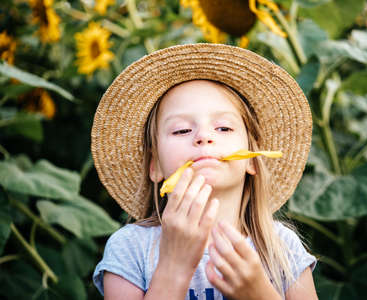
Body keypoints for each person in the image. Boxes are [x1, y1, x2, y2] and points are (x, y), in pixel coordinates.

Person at [91, 43, 318, 300]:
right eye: (181, 130)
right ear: (155, 166)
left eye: (223, 128)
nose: (203, 137)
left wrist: (259, 294)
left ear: (252, 160)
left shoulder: (282, 247)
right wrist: (174, 266)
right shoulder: (130, 248)